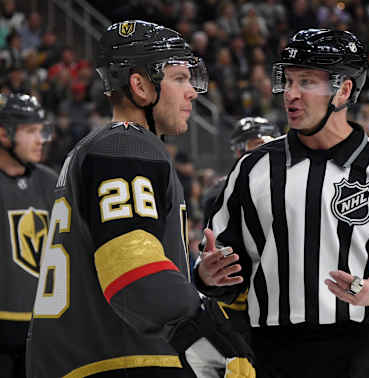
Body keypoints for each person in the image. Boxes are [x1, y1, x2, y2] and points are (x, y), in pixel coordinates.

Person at [194, 29, 369, 378]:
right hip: (274, 356)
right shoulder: (253, 169)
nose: (291, 94)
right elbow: (224, 263)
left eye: (306, 82)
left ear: (344, 90)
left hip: (366, 355)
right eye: (287, 81)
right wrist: (208, 276)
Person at [26, 20, 254, 378]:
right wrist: (209, 338)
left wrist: (193, 277)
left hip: (87, 358)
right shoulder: (127, 147)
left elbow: (111, 260)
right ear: (140, 85)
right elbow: (133, 274)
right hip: (119, 360)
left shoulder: (103, 147)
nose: (192, 92)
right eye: (179, 78)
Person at [201, 116, 281, 343]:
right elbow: (217, 249)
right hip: (242, 297)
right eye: (254, 144)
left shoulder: (297, 184)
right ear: (238, 151)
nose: (262, 149)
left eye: (266, 142)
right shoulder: (222, 192)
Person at [0, 93, 57, 378]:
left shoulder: (50, 181)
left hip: (44, 325)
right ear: (4, 134)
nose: (41, 139)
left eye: (42, 131)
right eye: (31, 132)